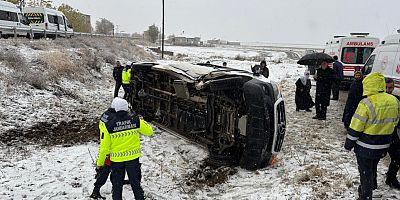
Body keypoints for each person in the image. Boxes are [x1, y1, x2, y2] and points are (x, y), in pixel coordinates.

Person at [344, 72, 400, 200]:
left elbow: (356, 126)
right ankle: (370, 186)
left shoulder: (366, 103)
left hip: (365, 146)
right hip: (383, 145)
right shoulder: (394, 101)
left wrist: (349, 144)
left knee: (365, 172)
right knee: (372, 166)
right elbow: (396, 121)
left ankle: (365, 196)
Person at [97, 97, 153, 200]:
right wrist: (141, 121)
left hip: (117, 161)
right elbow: (150, 132)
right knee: (136, 185)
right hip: (133, 159)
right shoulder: (135, 120)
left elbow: (104, 147)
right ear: (127, 108)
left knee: (117, 187)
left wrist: (100, 163)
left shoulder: (108, 125)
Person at [90, 107, 116, 199]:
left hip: (108, 150)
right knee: (106, 172)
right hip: (111, 151)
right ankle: (96, 191)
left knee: (106, 171)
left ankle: (97, 189)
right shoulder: (113, 118)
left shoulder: (105, 114)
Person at [385, 77, 400, 189]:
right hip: (376, 133)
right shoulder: (376, 98)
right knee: (374, 159)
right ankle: (372, 180)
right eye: (386, 87)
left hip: (392, 132)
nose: (388, 90)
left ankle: (391, 177)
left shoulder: (397, 100)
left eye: (390, 88)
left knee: (397, 156)